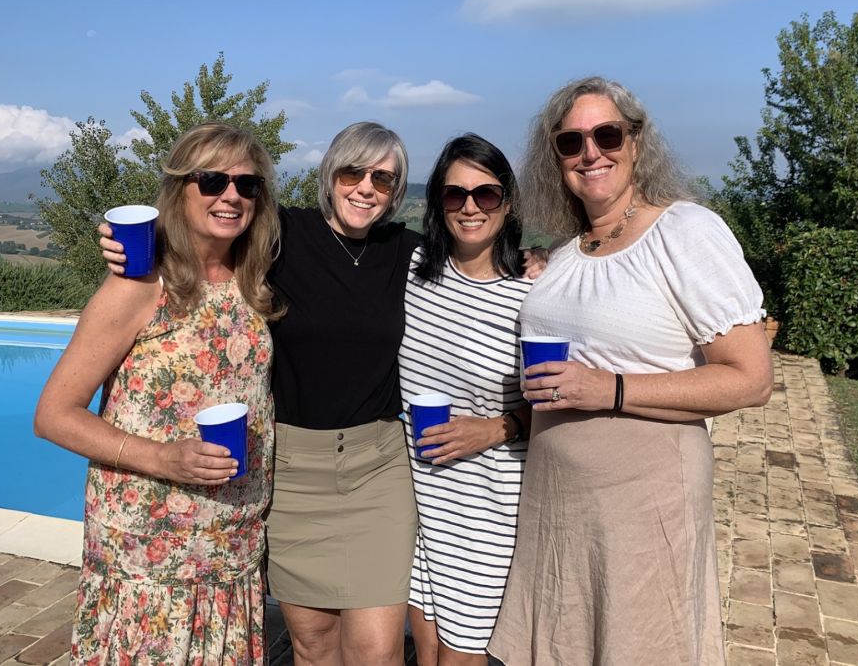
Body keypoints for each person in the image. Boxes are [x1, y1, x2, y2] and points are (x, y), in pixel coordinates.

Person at [101, 121, 420, 666]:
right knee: (313, 645)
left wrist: (534, 260)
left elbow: (476, 258)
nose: (366, 187)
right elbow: (204, 228)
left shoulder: (408, 251)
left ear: (396, 193)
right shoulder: (280, 235)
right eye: (353, 172)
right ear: (330, 175)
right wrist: (128, 245)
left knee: (376, 650)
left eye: (384, 180)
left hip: (375, 469)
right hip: (293, 472)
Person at [487, 77, 773, 666]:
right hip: (557, 499)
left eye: (607, 134)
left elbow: (750, 377)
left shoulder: (684, 231)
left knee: (641, 644)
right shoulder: (567, 253)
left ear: (637, 142)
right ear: (555, 158)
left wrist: (609, 387)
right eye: (570, 142)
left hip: (645, 499)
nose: (590, 152)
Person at [35, 122, 284, 663]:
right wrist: (164, 458)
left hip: (231, 538)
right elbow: (54, 414)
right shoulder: (140, 284)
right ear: (179, 190)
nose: (232, 195)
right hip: (149, 546)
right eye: (212, 180)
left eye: (248, 184)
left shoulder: (254, 279)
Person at [399, 133, 533, 666]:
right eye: (455, 195)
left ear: (508, 201)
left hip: (488, 510)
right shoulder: (413, 272)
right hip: (418, 499)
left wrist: (497, 428)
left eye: (487, 194)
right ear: (437, 203)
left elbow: (559, 399)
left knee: (463, 657)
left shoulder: (533, 290)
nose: (471, 207)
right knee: (425, 652)